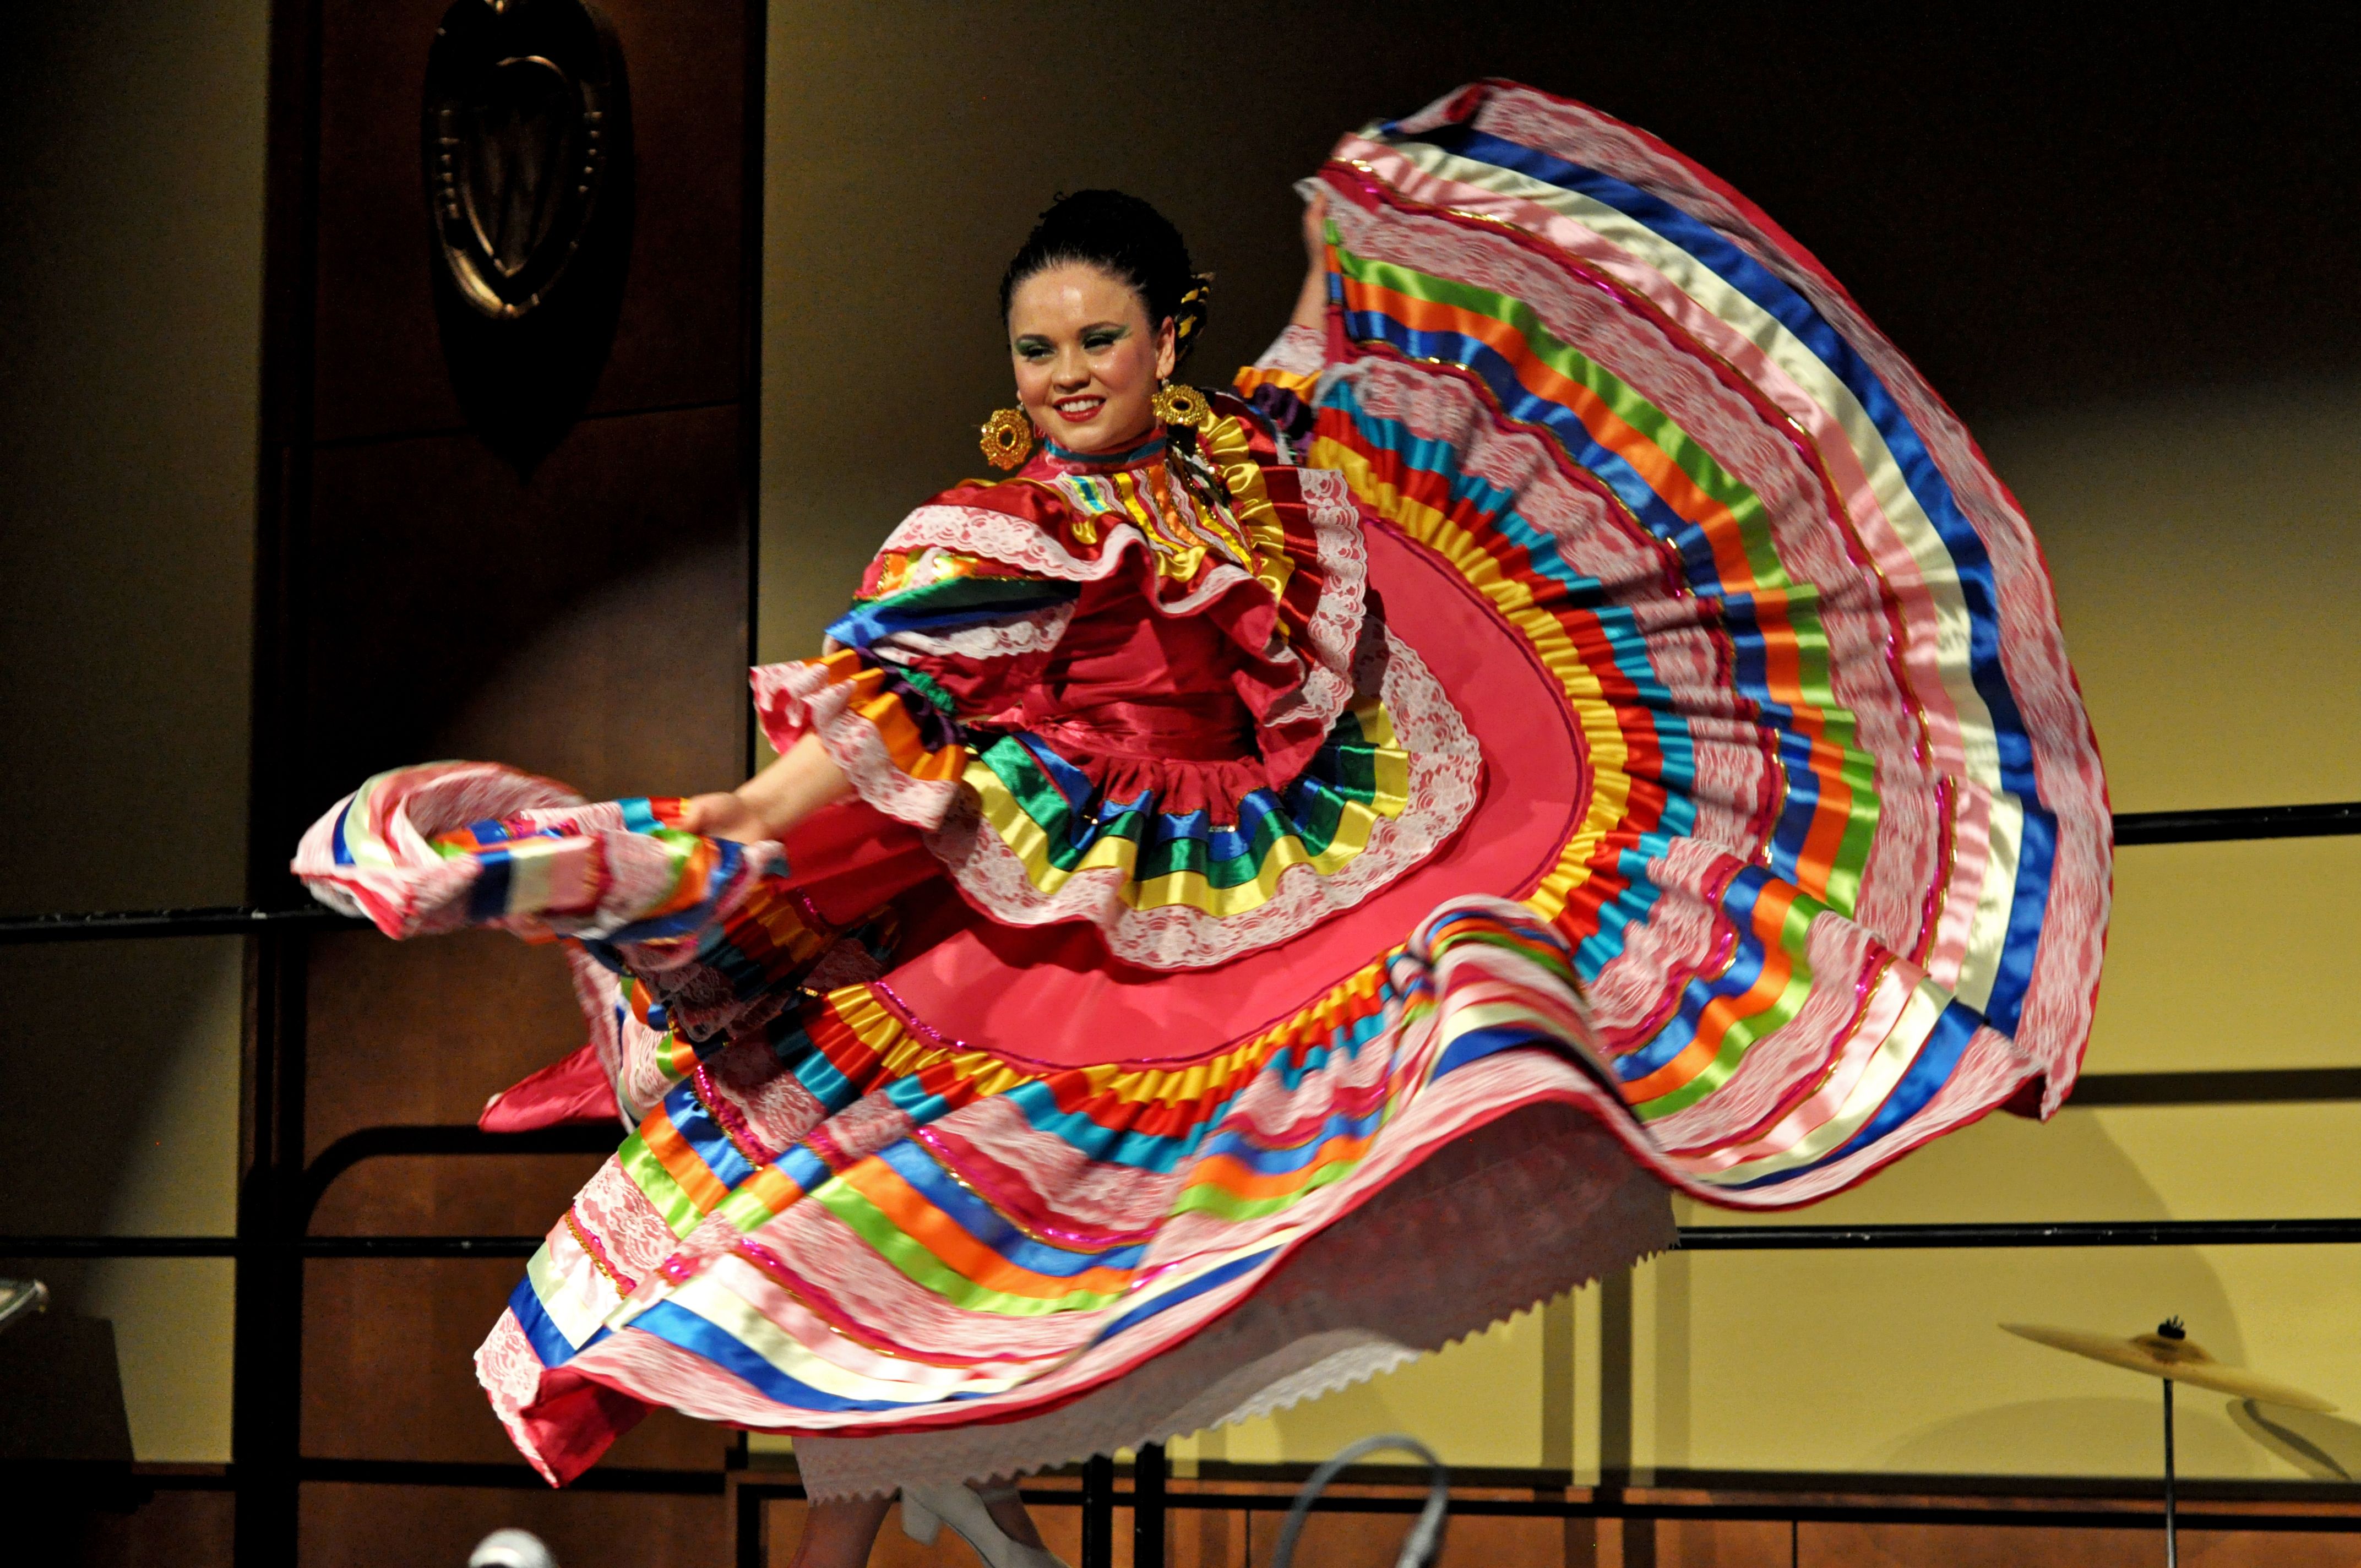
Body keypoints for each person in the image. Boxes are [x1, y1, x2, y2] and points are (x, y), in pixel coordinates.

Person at [297, 81, 2109, 1568]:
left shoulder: (1270, 486)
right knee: (857, 1242)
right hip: (1019, 929)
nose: (1063, 372)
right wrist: (745, 819)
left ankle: (957, 1505)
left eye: (1097, 336)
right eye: (1034, 347)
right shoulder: (995, 535)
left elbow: (1367, 658)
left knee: (1171, 1206)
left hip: (1225, 906)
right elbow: (891, 698)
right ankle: (860, 1487)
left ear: (1175, 331)